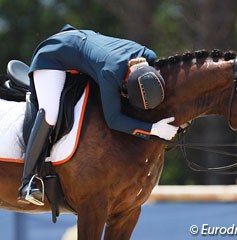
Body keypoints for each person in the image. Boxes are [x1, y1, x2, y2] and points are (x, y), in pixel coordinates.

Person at [18, 24, 178, 206]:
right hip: (53, 56)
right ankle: (27, 181)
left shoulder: (149, 55)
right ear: (126, 83)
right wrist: (152, 129)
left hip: (80, 41)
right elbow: (113, 120)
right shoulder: (110, 72)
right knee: (50, 114)